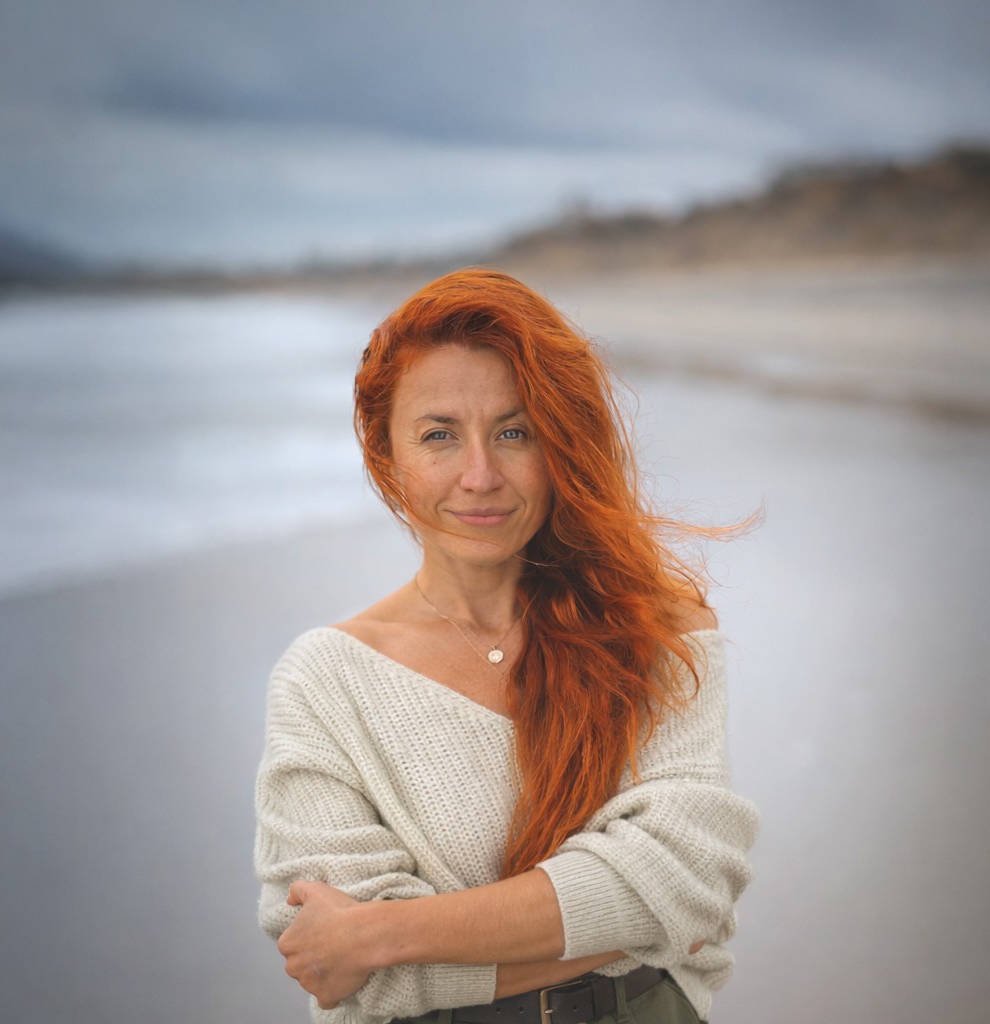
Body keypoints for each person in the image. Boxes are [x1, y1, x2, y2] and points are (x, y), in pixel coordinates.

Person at [254, 268, 759, 1024]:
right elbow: (344, 971)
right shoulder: (325, 681)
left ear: (560, 446)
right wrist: (628, 925)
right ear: (385, 455)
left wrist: (384, 934)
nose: (480, 476)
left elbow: (687, 874)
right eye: (439, 436)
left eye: (514, 432)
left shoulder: (659, 632)